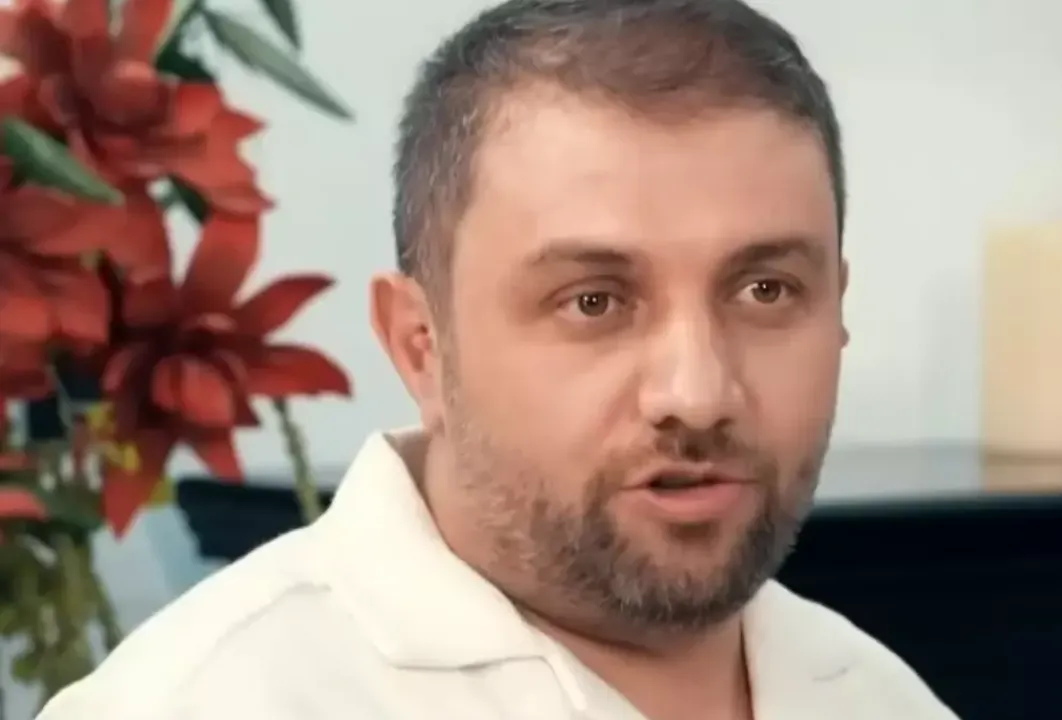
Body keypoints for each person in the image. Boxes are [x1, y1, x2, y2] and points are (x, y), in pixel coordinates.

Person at [37, 1, 958, 718]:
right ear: (421, 346)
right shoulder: (199, 704)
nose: (698, 393)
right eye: (594, 301)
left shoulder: (884, 698)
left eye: (764, 291)